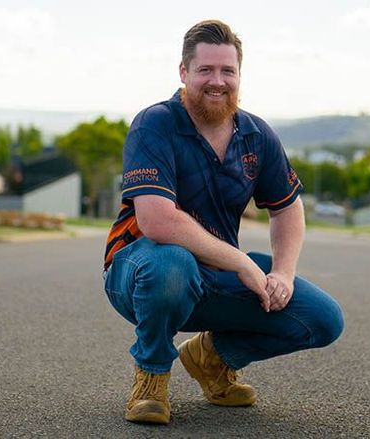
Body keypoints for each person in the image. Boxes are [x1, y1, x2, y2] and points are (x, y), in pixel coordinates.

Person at [102, 19, 344, 425]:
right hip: (140, 270)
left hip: (214, 275)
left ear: (239, 75)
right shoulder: (155, 123)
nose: (218, 81)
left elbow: (287, 206)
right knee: (171, 264)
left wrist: (282, 272)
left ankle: (212, 358)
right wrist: (244, 263)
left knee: (322, 319)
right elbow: (158, 222)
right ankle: (152, 376)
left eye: (227, 71)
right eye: (205, 70)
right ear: (184, 73)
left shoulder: (255, 135)